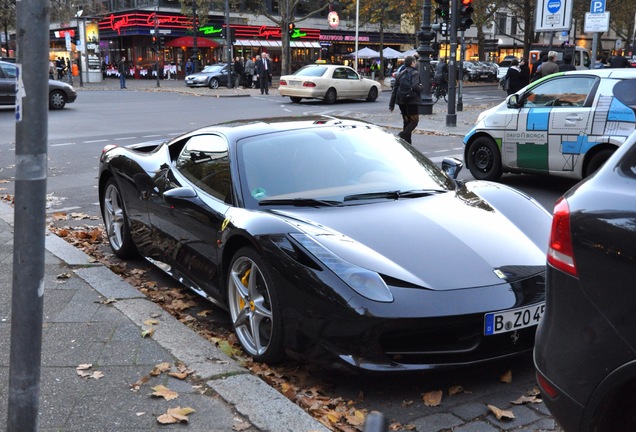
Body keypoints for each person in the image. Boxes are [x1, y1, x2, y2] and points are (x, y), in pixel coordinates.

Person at [388, 55, 422, 145]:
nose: (415, 63)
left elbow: (394, 90)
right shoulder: (415, 73)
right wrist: (420, 88)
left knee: (406, 121)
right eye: (414, 62)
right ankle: (401, 136)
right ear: (412, 63)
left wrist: (391, 105)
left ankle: (407, 144)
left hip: (401, 100)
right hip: (412, 100)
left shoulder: (400, 74)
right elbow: (415, 86)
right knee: (414, 121)